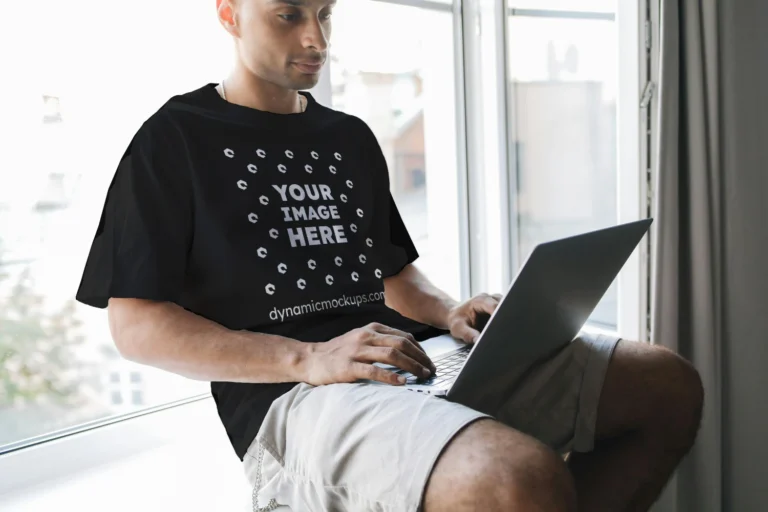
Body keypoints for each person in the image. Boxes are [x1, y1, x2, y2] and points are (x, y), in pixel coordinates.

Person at [75, 0, 704, 510]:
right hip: (293, 395)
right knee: (517, 479)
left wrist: (451, 311)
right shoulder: (174, 139)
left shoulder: (346, 136)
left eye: (326, 13)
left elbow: (394, 274)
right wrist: (311, 356)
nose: (316, 37)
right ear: (229, 13)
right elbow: (137, 326)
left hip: (410, 357)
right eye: (289, 14)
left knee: (665, 386)